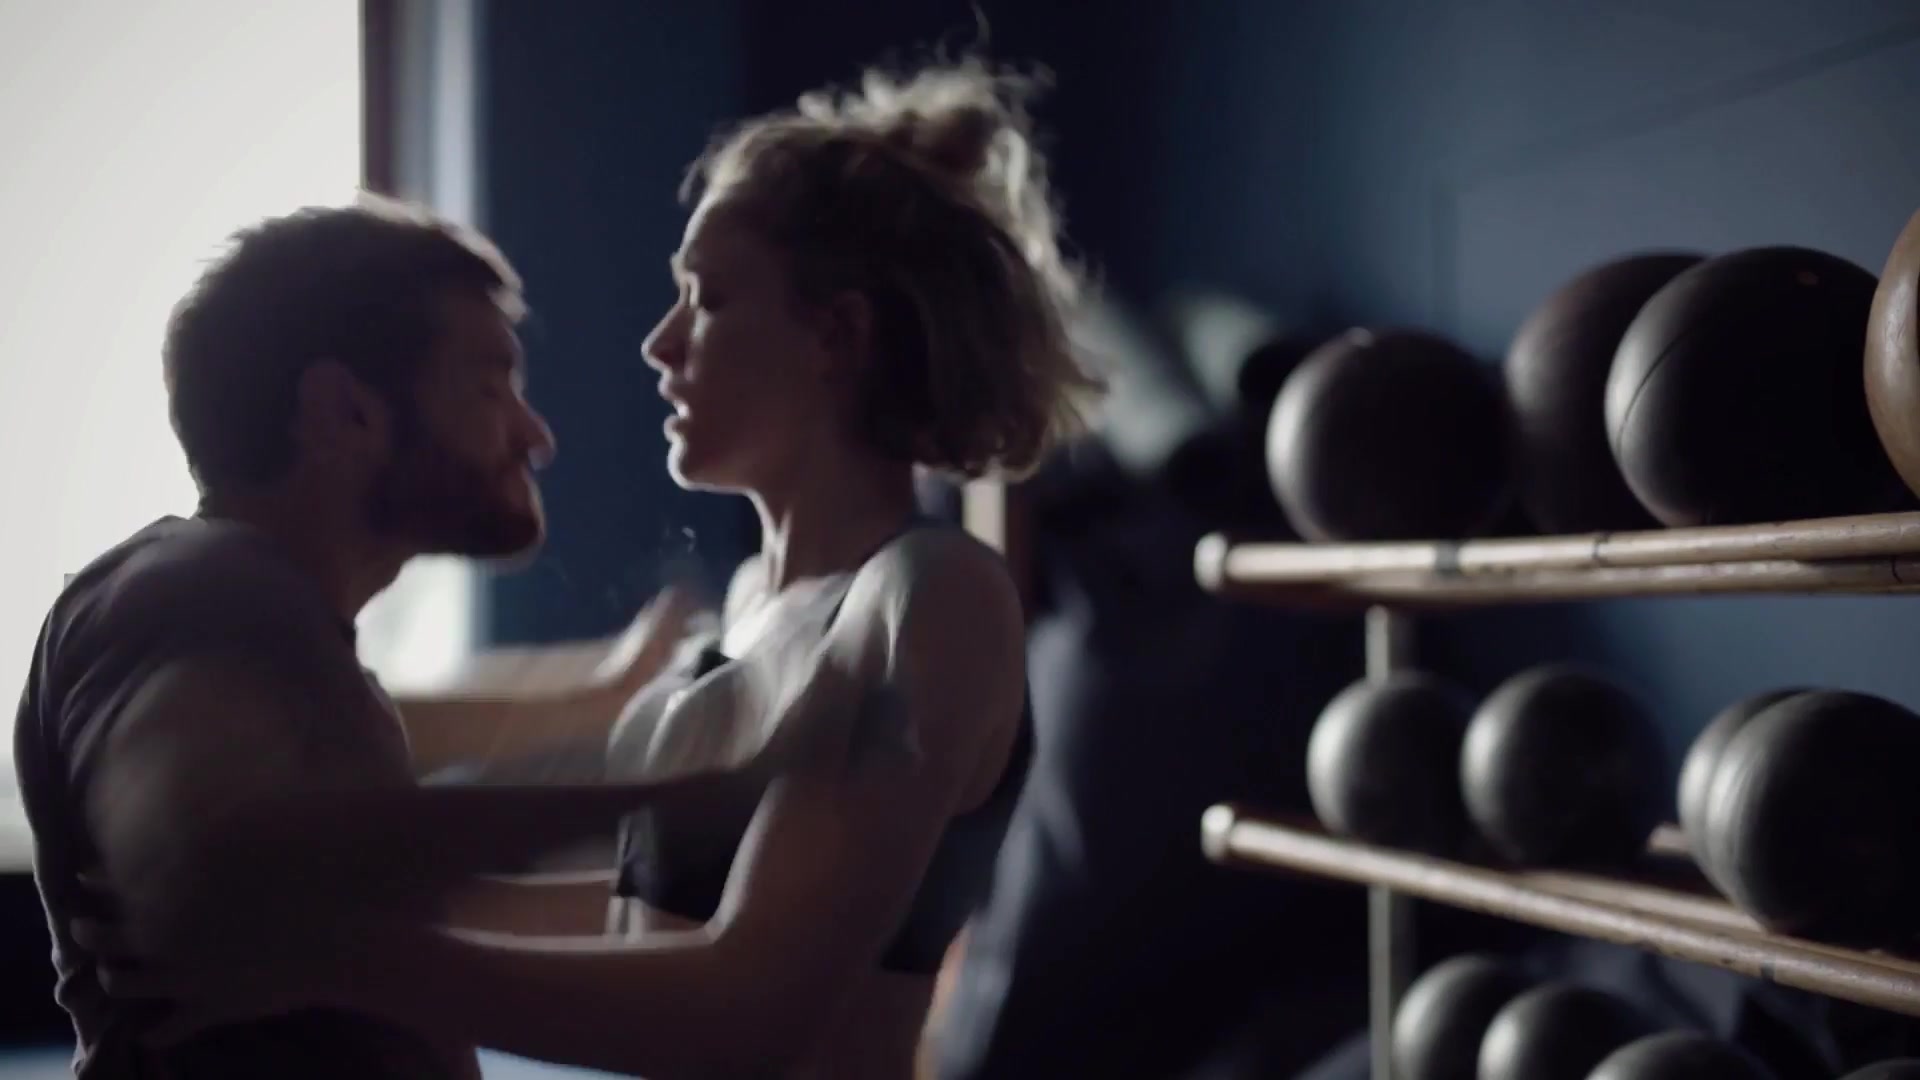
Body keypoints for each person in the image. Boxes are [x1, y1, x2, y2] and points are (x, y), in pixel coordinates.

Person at [82, 53, 1104, 1080]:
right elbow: (645, 915)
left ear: (835, 335)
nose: (661, 344)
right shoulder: (751, 606)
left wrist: (342, 961)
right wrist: (319, 907)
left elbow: (753, 1014)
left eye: (707, 298)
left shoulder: (934, 598)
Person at [14, 194, 714, 1079]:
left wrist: (611, 706)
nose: (534, 435)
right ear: (344, 412)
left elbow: (363, 792)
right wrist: (700, 798)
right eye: (490, 386)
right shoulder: (202, 587)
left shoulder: (260, 620)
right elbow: (206, 869)